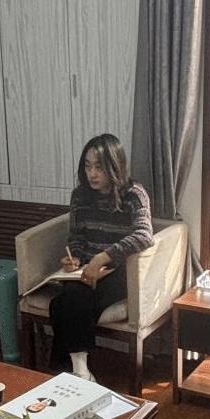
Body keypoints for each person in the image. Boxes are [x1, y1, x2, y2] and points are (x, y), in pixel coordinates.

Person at [49, 134, 154, 382]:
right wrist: (74, 258)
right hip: (86, 270)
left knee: (66, 303)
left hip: (119, 272)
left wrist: (101, 259)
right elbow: (76, 236)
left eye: (99, 167)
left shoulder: (134, 194)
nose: (92, 174)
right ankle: (79, 371)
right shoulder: (80, 196)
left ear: (114, 167)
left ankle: (72, 370)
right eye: (87, 166)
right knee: (65, 301)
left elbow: (144, 235)